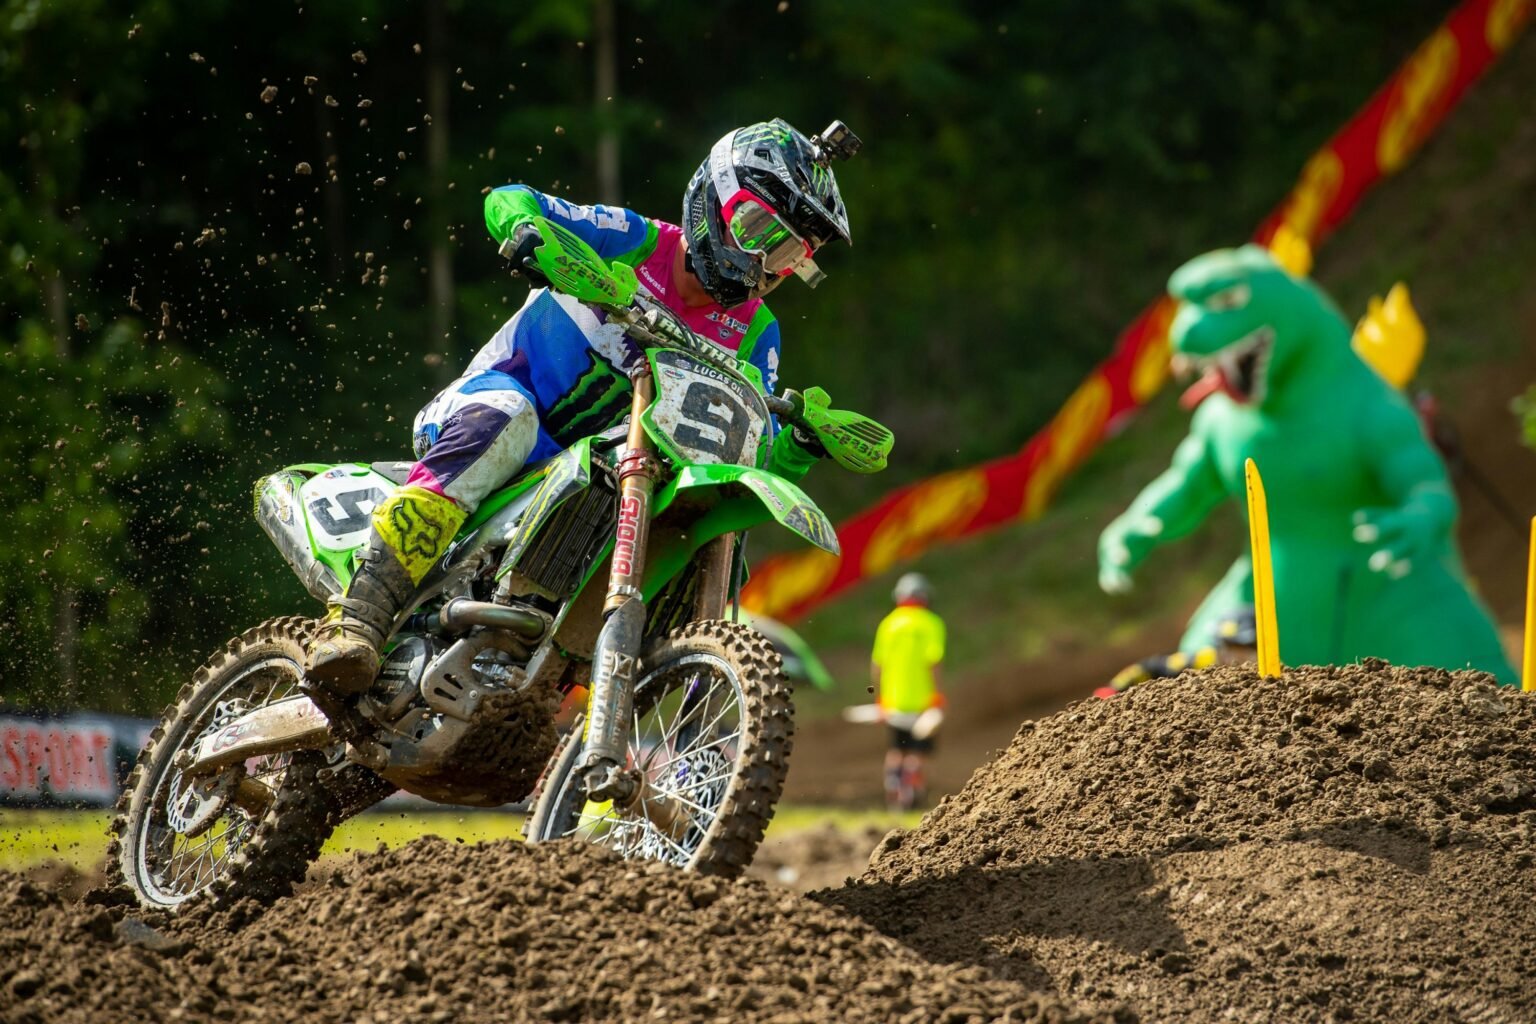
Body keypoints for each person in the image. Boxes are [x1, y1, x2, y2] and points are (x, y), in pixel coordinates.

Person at [306, 118, 860, 697]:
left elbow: (744, 444)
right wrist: (524, 229)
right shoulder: (633, 239)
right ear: (714, 199)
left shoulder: (757, 332)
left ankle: (652, 710)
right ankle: (357, 621)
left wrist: (796, 449)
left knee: (699, 520)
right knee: (509, 419)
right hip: (493, 408)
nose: (764, 262)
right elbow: (508, 197)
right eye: (758, 230)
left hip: (605, 469)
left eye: (787, 252)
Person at [871, 572, 946, 811]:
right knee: (918, 752)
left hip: (894, 701)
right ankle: (913, 793)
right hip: (922, 701)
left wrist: (880, 698)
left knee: (897, 749)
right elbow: (933, 662)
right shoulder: (931, 623)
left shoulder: (888, 624)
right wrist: (937, 694)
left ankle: (894, 790)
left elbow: (877, 665)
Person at [1096, 605, 1257, 699]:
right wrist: (1114, 688)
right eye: (1225, 645)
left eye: (1239, 647)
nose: (1230, 655)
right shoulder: (1205, 660)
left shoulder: (1265, 670)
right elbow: (1151, 667)